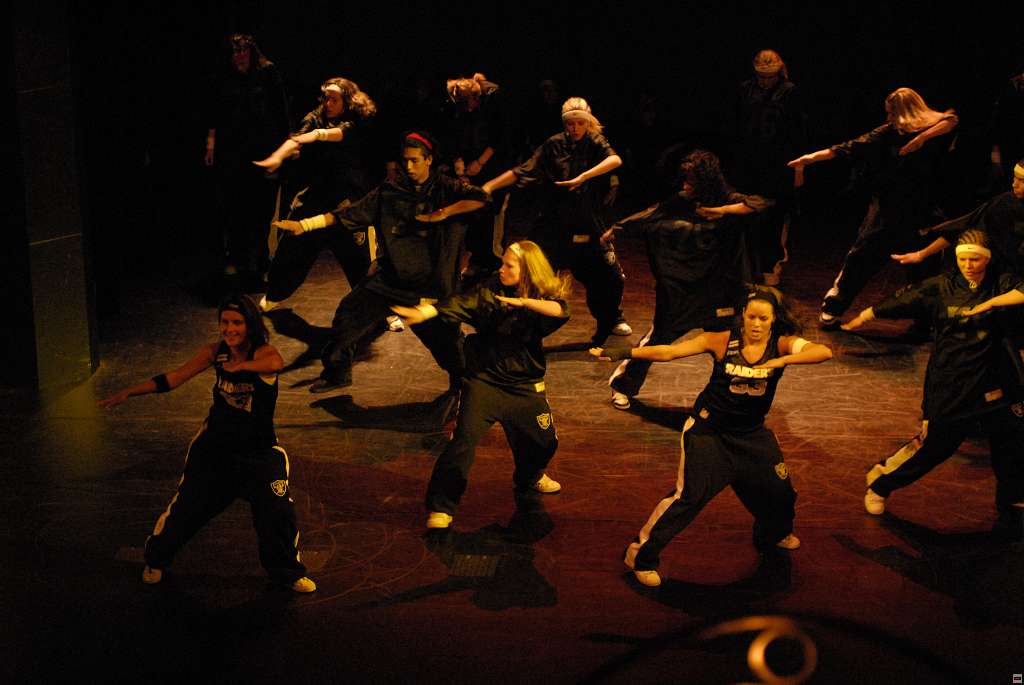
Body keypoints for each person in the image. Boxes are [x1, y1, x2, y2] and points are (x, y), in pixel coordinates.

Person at [593, 288, 833, 587]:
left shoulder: (782, 344)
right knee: (690, 498)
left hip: (751, 435)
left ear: (773, 320)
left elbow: (823, 352)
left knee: (781, 494)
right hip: (709, 433)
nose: (756, 324)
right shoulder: (722, 340)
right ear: (743, 316)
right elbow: (668, 352)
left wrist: (783, 362)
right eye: (752, 317)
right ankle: (640, 555)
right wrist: (623, 352)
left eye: (763, 319)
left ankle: (772, 534)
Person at [98, 295, 316, 592]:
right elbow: (174, 378)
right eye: (225, 322)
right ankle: (156, 560)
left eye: (237, 322)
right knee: (187, 509)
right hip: (214, 450)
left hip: (258, 453)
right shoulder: (215, 352)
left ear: (250, 325)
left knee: (278, 512)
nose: (229, 329)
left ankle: (287, 573)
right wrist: (129, 392)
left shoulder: (263, 352)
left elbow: (275, 363)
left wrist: (242, 367)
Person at [273, 132, 489, 393]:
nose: (408, 167)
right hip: (390, 280)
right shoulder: (391, 191)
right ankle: (337, 373)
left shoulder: (447, 189)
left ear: (429, 160)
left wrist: (444, 213)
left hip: (431, 286)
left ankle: (463, 380)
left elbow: (482, 198)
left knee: (446, 342)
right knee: (348, 315)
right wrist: (304, 225)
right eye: (405, 161)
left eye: (415, 161)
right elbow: (349, 214)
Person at [843, 230, 1024, 540]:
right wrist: (867, 315)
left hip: (996, 378)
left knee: (1012, 439)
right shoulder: (942, 287)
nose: (968, 265)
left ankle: (1013, 497)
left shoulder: (1001, 282)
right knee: (936, 446)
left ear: (988, 259)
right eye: (963, 259)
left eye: (975, 259)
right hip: (952, 380)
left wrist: (991, 303)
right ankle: (881, 483)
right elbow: (904, 300)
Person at [392, 241, 570, 529]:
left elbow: (560, 310)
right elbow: (464, 302)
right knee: (462, 442)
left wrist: (524, 303)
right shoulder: (490, 289)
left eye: (509, 266)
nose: (502, 269)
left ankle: (530, 476)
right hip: (483, 380)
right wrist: (427, 312)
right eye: (502, 263)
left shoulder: (541, 297)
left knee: (543, 442)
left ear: (527, 271)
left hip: (524, 384)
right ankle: (441, 506)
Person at [603, 149, 773, 409]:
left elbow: (763, 203)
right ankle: (622, 385)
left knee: (729, 347)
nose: (685, 186)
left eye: (690, 181)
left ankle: (726, 398)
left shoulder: (730, 200)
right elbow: (653, 214)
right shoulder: (683, 200)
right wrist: (618, 228)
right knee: (660, 337)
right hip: (682, 287)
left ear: (705, 181)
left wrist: (723, 210)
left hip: (720, 289)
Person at [788, 87, 958, 327]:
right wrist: (812, 158)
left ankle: (925, 321)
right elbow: (849, 147)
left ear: (907, 112)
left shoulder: (937, 129)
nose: (889, 118)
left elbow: (952, 120)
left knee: (925, 270)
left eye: (892, 113)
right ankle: (833, 308)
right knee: (860, 258)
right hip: (887, 209)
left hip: (923, 210)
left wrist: (920, 139)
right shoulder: (887, 133)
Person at [482, 97, 631, 345]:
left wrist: (583, 177)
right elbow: (523, 170)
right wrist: (489, 186)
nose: (575, 128)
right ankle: (520, 324)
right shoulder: (553, 145)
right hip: (554, 224)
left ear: (588, 123)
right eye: (570, 123)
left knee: (610, 277)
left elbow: (615, 160)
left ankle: (611, 318)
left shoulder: (595, 142)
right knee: (531, 273)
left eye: (580, 123)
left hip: (588, 223)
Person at [253, 77, 378, 314]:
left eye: (334, 100)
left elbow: (333, 135)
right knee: (291, 248)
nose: (328, 103)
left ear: (347, 102)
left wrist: (309, 137)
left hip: (347, 198)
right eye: (326, 98)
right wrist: (278, 156)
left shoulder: (355, 121)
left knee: (359, 260)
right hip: (316, 195)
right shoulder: (314, 117)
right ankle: (274, 295)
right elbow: (296, 140)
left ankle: (377, 309)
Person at [204, 33, 291, 288]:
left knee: (262, 209)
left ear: (251, 51)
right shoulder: (225, 77)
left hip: (264, 150)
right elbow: (215, 112)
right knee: (235, 207)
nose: (239, 56)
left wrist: (285, 146)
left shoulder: (267, 72)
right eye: (235, 51)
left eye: (243, 51)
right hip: (234, 152)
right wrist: (211, 144)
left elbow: (281, 109)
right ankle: (239, 263)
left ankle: (262, 262)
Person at [730, 49, 808, 286]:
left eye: (770, 77)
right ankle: (744, 266)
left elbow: (798, 133)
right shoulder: (746, 89)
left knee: (774, 217)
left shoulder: (790, 92)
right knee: (745, 213)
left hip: (778, 167)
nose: (765, 81)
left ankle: (770, 264)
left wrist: (799, 168)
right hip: (748, 165)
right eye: (761, 76)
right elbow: (737, 127)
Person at [892, 158, 1024, 276]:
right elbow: (963, 226)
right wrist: (921, 254)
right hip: (998, 273)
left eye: (1021, 180)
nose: (1014, 184)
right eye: (1014, 178)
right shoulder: (1004, 202)